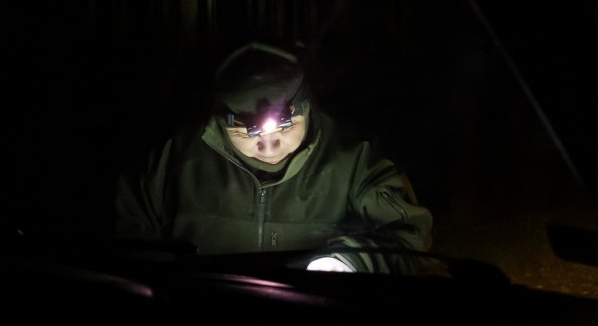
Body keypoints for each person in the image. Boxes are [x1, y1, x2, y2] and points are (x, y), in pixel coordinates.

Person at [112, 40, 433, 273]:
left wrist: (348, 261)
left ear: (307, 108)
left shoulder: (355, 161)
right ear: (220, 119)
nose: (269, 147)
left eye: (286, 125)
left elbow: (411, 237)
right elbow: (127, 243)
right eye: (246, 131)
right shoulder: (170, 161)